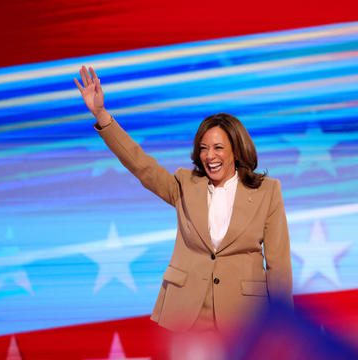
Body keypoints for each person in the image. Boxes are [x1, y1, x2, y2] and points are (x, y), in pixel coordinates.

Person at [75, 66, 293, 334]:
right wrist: (101, 115)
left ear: (236, 150)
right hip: (186, 314)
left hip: (244, 319)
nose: (209, 156)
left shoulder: (267, 191)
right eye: (203, 148)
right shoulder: (185, 185)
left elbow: (278, 265)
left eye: (218, 148)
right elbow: (140, 165)